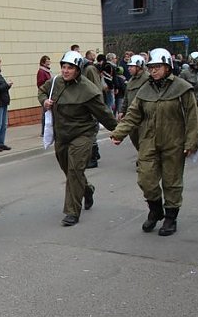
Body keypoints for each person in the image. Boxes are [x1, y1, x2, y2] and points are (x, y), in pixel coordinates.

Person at [110, 48, 198, 236]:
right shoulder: (145, 89)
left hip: (174, 141)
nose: (154, 71)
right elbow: (133, 115)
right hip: (149, 140)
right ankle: (156, 209)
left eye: (158, 67)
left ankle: (170, 217)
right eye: (151, 67)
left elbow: (192, 117)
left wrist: (191, 142)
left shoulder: (182, 88)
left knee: (172, 182)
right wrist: (119, 133)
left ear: (168, 67)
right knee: (145, 179)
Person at [38, 50, 117, 226]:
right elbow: (42, 91)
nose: (66, 71)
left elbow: (103, 112)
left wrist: (118, 130)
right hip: (62, 135)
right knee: (69, 170)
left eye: (70, 68)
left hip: (83, 134)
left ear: (78, 70)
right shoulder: (55, 82)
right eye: (64, 67)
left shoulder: (88, 89)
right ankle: (87, 190)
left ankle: (72, 212)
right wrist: (44, 102)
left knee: (74, 171)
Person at [118, 54, 149, 150]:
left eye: (131, 66)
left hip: (144, 115)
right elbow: (126, 97)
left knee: (145, 139)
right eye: (129, 66)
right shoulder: (131, 80)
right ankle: (142, 154)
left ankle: (145, 158)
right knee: (134, 137)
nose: (129, 69)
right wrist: (122, 111)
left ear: (139, 67)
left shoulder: (147, 79)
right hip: (132, 114)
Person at [37, 56, 52, 136]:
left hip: (49, 94)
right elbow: (40, 84)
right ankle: (43, 131)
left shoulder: (47, 71)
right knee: (45, 113)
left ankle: (46, 130)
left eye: (49, 60)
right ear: (43, 62)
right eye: (47, 60)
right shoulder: (42, 72)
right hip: (45, 94)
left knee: (47, 112)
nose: (49, 62)